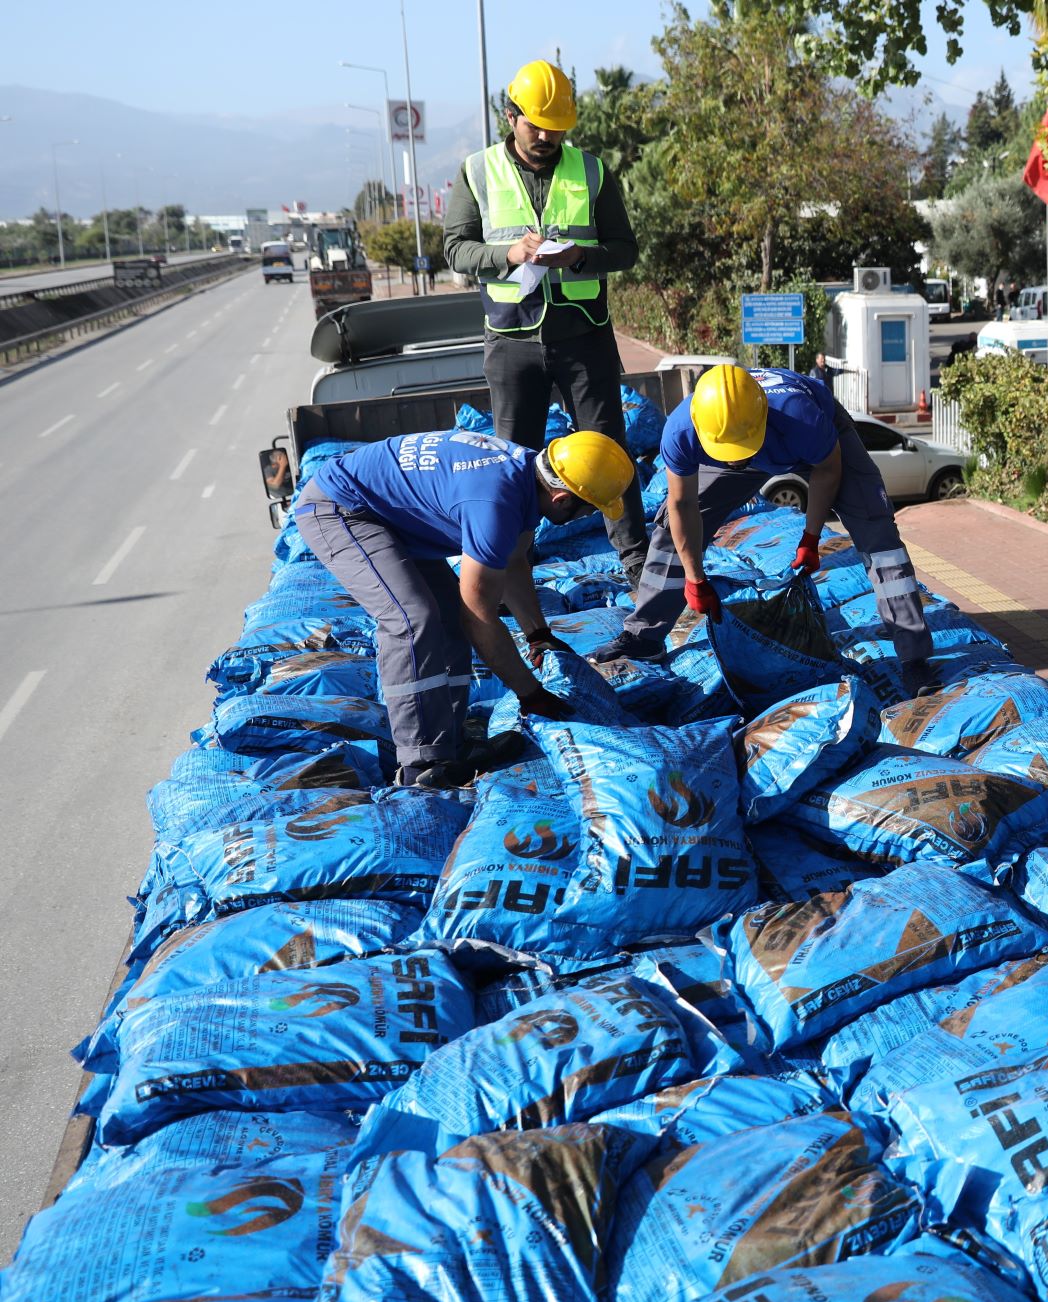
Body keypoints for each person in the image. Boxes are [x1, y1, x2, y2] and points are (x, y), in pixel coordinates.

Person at [295, 430, 637, 788]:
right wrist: (530, 693)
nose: (587, 517)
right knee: (413, 621)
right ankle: (418, 764)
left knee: (447, 621)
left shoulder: (527, 476)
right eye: (589, 509)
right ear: (563, 499)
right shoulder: (494, 503)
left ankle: (451, 746)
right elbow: (479, 616)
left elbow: (515, 561)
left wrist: (539, 634)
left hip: (386, 512)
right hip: (340, 508)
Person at [588, 364, 937, 697]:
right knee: (668, 530)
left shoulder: (800, 415)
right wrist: (694, 578)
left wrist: (811, 537)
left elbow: (827, 472)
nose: (738, 459)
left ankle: (913, 655)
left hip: (803, 443)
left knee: (878, 533)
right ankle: (644, 636)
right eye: (731, 453)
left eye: (741, 450)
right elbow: (683, 506)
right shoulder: (683, 430)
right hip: (743, 443)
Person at [442, 58, 648, 586]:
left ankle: (636, 561)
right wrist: (508, 253)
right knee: (514, 461)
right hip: (511, 340)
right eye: (537, 127)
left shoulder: (593, 171)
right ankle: (515, 568)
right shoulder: (476, 171)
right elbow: (455, 250)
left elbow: (625, 250)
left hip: (584, 336)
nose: (547, 138)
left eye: (557, 131)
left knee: (607, 447)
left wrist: (580, 256)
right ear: (510, 116)